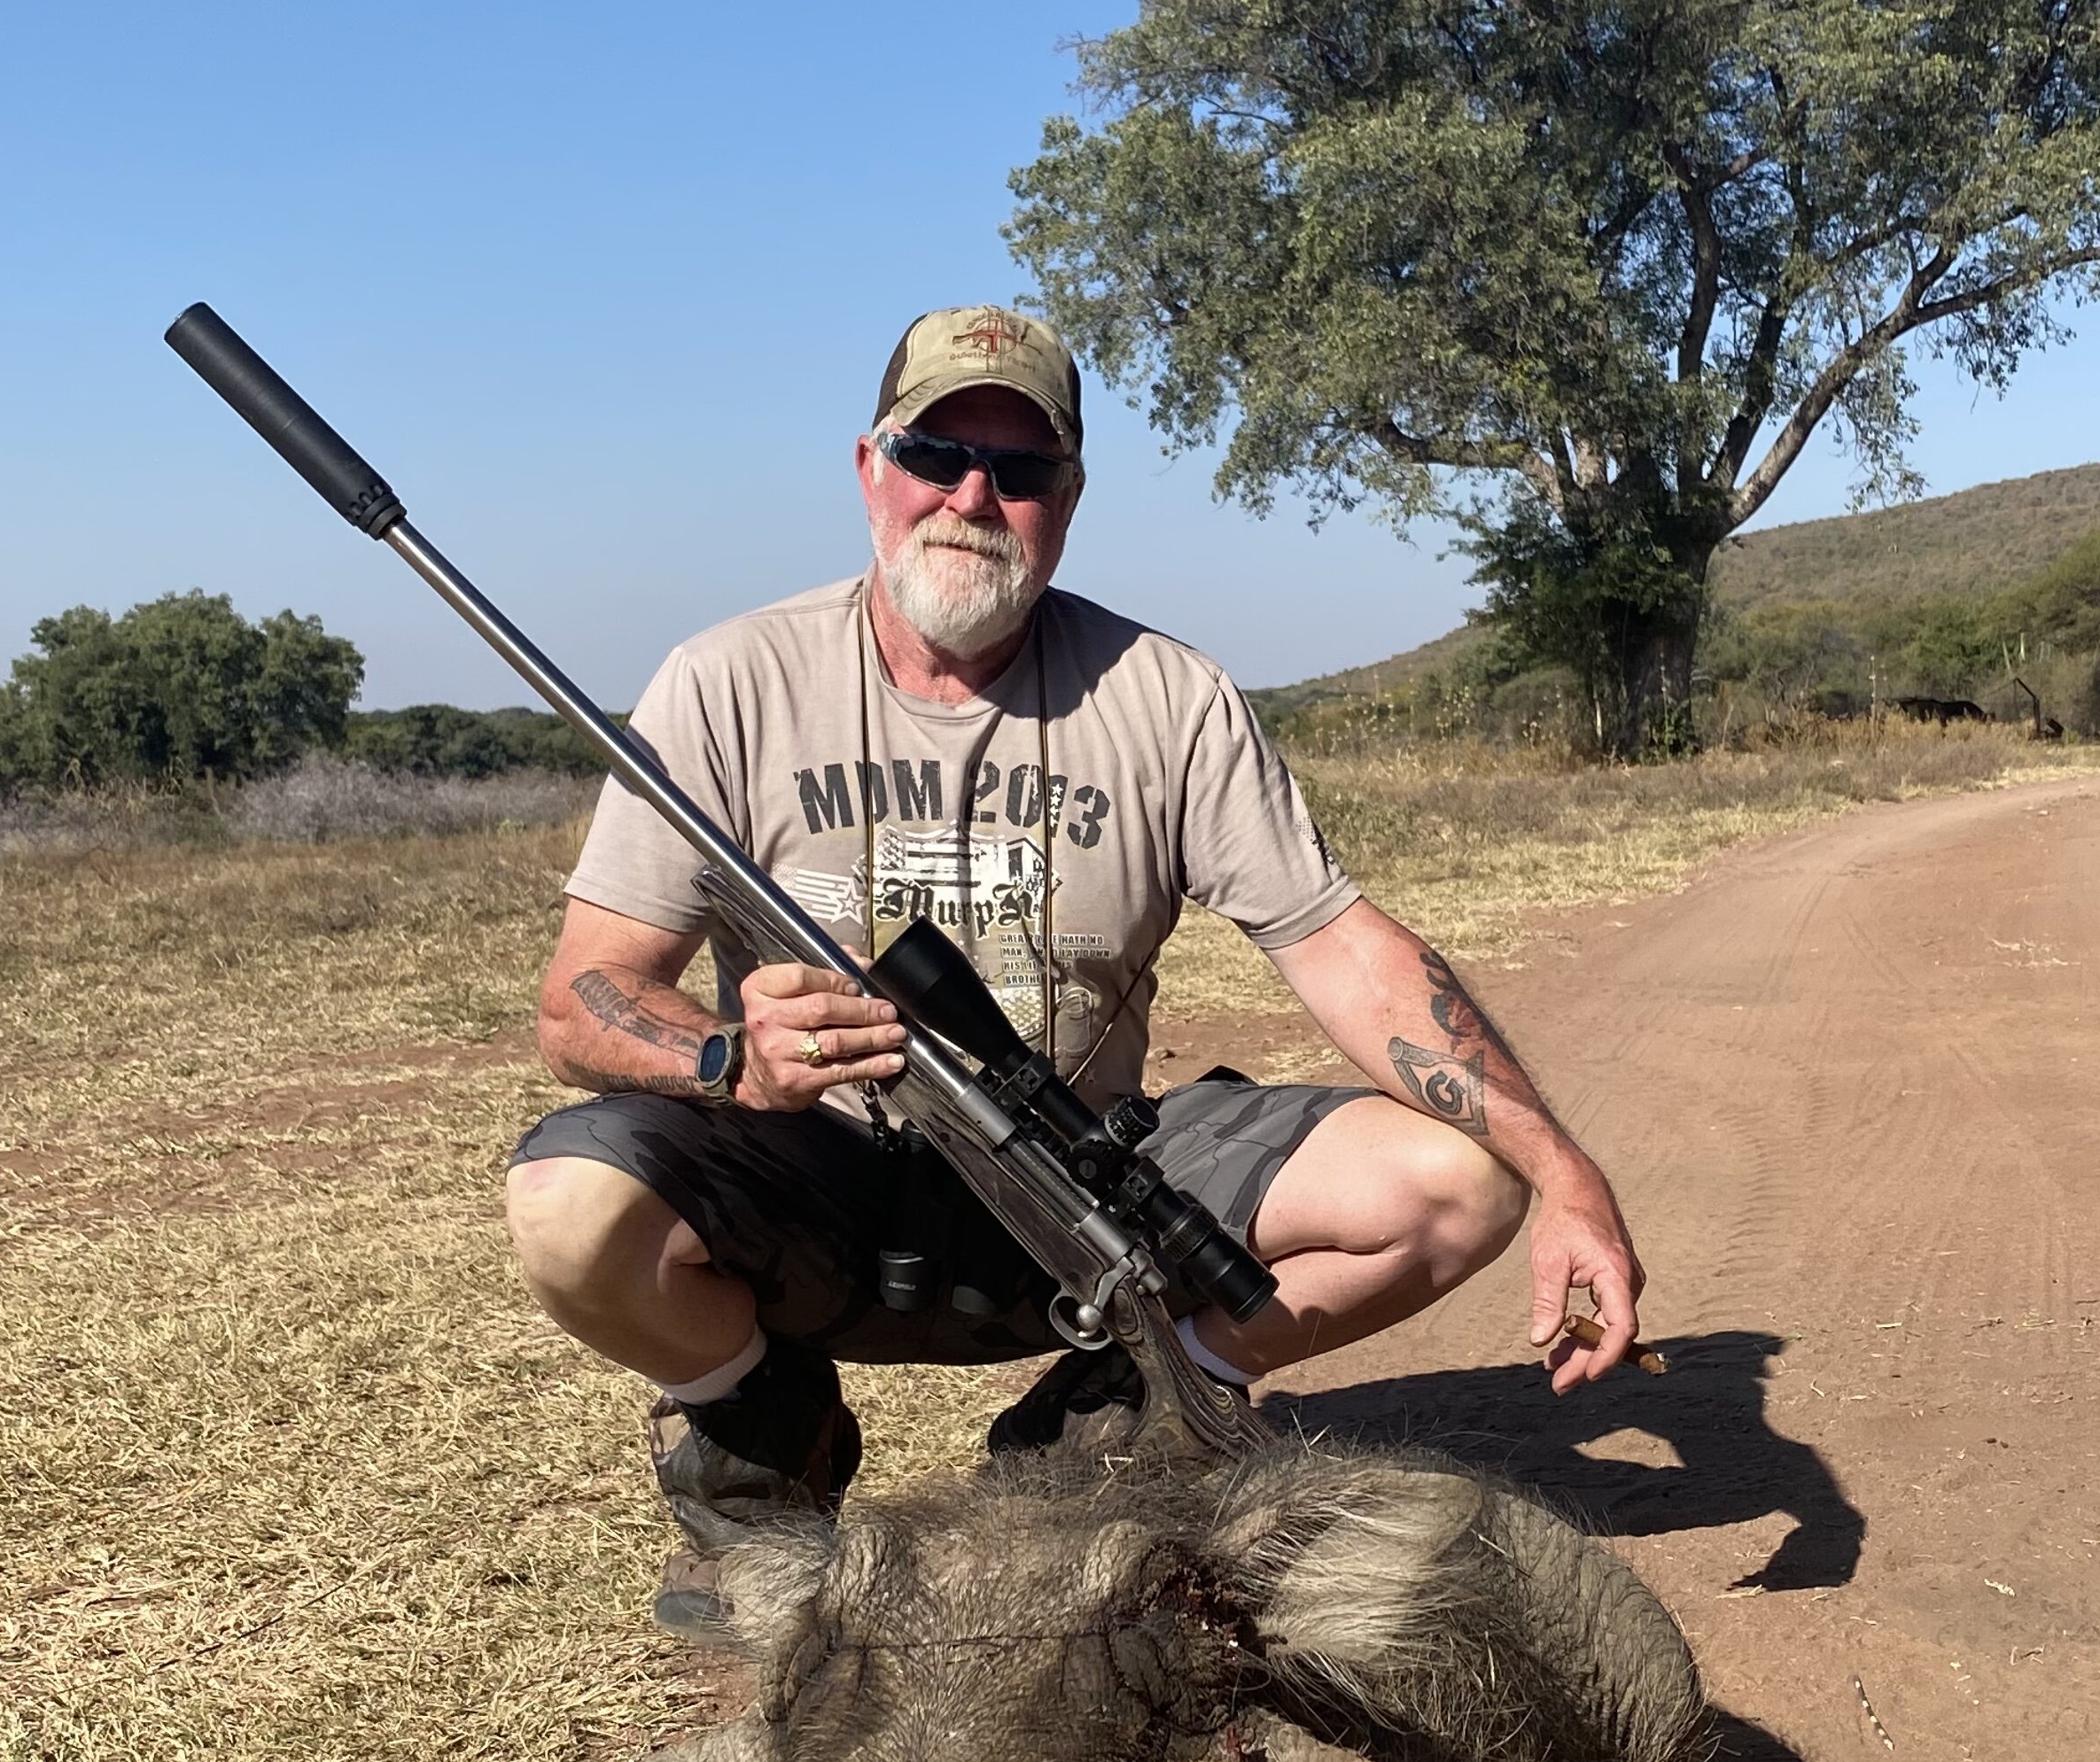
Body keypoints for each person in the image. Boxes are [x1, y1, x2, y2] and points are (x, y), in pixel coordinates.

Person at [506, 303, 1644, 1625]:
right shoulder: (724, 681)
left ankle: (1101, 1425)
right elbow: (581, 996)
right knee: (568, 1203)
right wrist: (724, 1056)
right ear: (871, 468)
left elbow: (1348, 953)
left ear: (1069, 495)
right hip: (819, 1181)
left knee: (1453, 1185)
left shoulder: (1165, 695)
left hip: (1079, 1175)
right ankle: (761, 1449)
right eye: (936, 452)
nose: (972, 496)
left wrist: (1564, 1173)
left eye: (1022, 468)